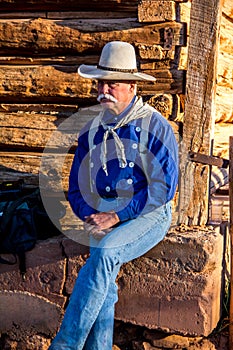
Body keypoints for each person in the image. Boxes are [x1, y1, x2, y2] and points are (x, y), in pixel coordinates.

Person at [49, 41, 179, 350]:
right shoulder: (91, 130)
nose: (104, 89)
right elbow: (76, 187)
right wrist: (89, 215)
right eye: (100, 82)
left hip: (149, 213)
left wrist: (118, 216)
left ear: (132, 86)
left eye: (113, 83)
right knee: (103, 282)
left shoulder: (155, 127)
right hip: (104, 214)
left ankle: (65, 345)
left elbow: (163, 188)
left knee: (106, 254)